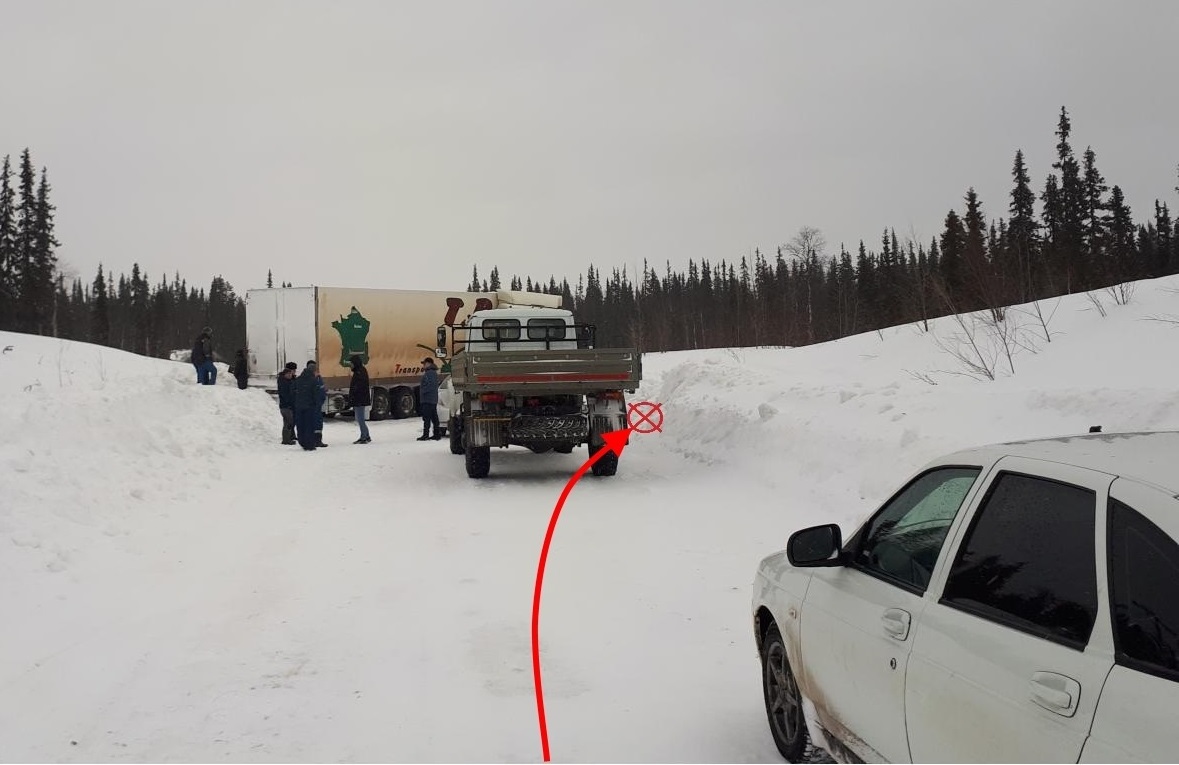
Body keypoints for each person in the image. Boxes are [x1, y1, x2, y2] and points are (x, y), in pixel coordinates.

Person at [294, 360, 320, 450]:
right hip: (309, 407)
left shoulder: (298, 379)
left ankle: (302, 441)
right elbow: (316, 394)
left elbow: (293, 392)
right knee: (309, 425)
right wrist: (316, 404)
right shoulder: (313, 380)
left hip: (299, 406)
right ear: (313, 371)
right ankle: (309, 444)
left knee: (300, 424)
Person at [349, 354, 372, 444]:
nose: (350, 365)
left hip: (360, 400)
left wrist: (354, 395)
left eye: (351, 363)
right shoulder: (360, 371)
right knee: (360, 419)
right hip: (360, 399)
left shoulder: (360, 372)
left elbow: (359, 387)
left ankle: (364, 436)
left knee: (360, 419)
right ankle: (366, 435)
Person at [418, 357, 441, 441]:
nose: (423, 365)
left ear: (429, 364)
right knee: (434, 417)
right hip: (432, 399)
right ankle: (436, 434)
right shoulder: (432, 373)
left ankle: (426, 435)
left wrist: (423, 391)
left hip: (428, 399)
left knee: (427, 417)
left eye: (424, 363)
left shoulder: (429, 373)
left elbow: (430, 385)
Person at [276, 361, 298, 444]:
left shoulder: (291, 379)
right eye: (293, 370)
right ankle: (286, 439)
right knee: (288, 422)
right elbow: (286, 394)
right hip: (287, 405)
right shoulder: (283, 381)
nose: (294, 372)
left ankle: (291, 436)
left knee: (291, 421)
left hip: (291, 404)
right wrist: (290, 402)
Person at [313, 366, 329, 447]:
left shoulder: (319, 379)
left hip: (319, 404)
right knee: (315, 423)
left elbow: (322, 390)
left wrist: (323, 396)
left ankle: (318, 440)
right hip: (314, 405)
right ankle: (314, 440)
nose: (317, 373)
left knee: (319, 423)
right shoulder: (311, 380)